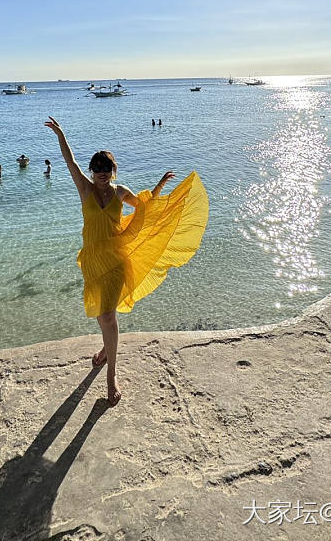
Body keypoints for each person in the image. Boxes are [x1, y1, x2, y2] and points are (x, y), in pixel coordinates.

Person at [44, 116, 208, 407]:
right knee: (101, 314)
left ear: (113, 170)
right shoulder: (85, 189)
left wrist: (158, 189)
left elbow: (144, 207)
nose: (101, 173)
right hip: (94, 261)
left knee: (107, 316)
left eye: (106, 168)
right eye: (97, 169)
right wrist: (61, 134)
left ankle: (111, 375)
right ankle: (107, 350)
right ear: (92, 171)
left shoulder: (120, 193)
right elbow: (69, 161)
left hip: (116, 260)